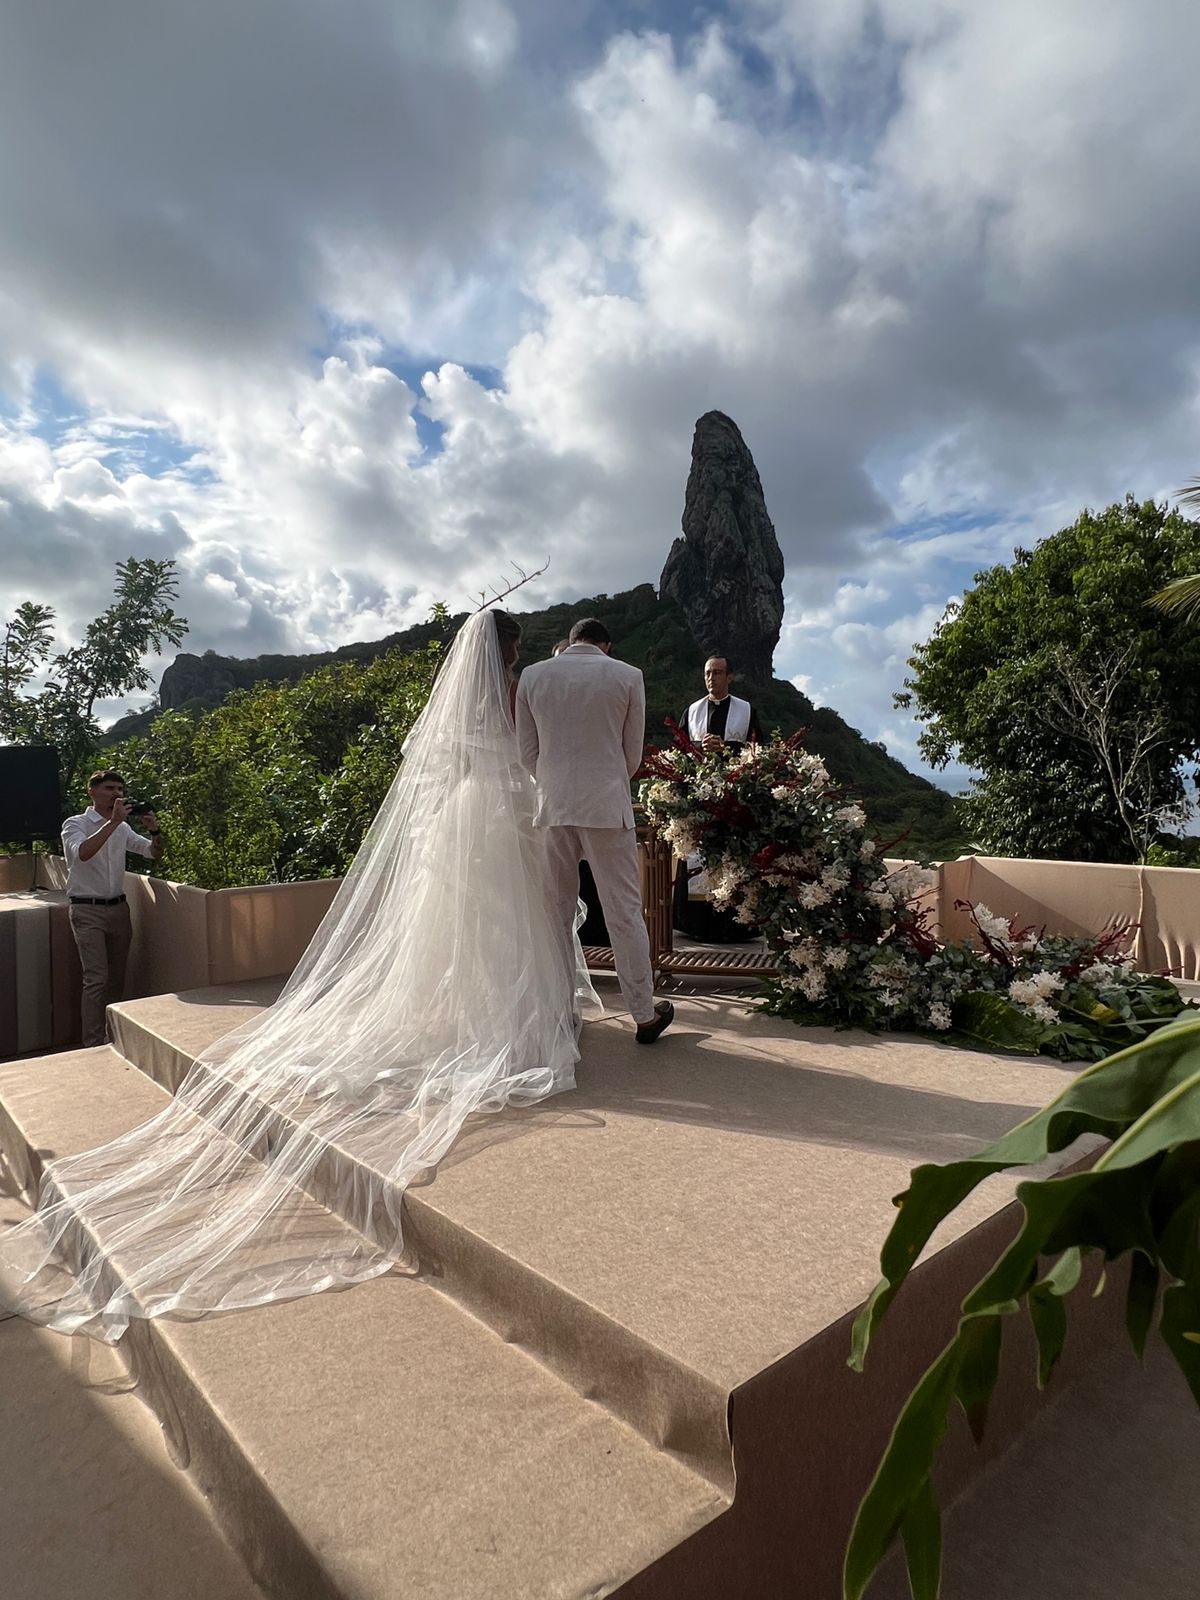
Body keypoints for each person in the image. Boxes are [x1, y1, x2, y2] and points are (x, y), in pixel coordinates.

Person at [0, 609, 596, 1340]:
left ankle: (487, 1014)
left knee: (461, 933)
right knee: (502, 928)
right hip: (497, 816)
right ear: (506, 652)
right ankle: (510, 1021)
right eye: (517, 648)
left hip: (461, 819)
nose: (520, 656)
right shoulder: (511, 691)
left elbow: (441, 764)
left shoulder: (461, 701)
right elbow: (519, 755)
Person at [516, 617, 673, 1045]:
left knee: (555, 913)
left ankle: (561, 1014)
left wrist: (556, 783)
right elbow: (632, 756)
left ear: (570, 643)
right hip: (606, 804)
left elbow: (527, 753)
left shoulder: (533, 675)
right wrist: (602, 782)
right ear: (606, 644)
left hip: (551, 806)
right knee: (623, 911)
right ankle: (643, 1013)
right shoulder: (627, 675)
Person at [62, 770, 164, 1046]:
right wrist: (113, 823)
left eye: (120, 789)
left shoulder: (122, 827)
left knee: (117, 978)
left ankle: (112, 1038)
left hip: (118, 909)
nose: (116, 794)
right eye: (109, 788)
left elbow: (152, 853)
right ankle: (92, 1042)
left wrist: (155, 830)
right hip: (87, 910)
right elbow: (82, 853)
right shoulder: (76, 824)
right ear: (92, 791)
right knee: (96, 978)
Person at [674, 656, 762, 942]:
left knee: (732, 861)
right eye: (708, 673)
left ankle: (736, 926)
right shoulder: (692, 711)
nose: (712, 678)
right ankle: (695, 924)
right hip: (700, 801)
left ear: (730, 676)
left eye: (718, 672)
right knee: (698, 860)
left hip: (734, 803)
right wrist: (699, 749)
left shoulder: (746, 710)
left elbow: (759, 753)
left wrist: (725, 748)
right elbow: (678, 752)